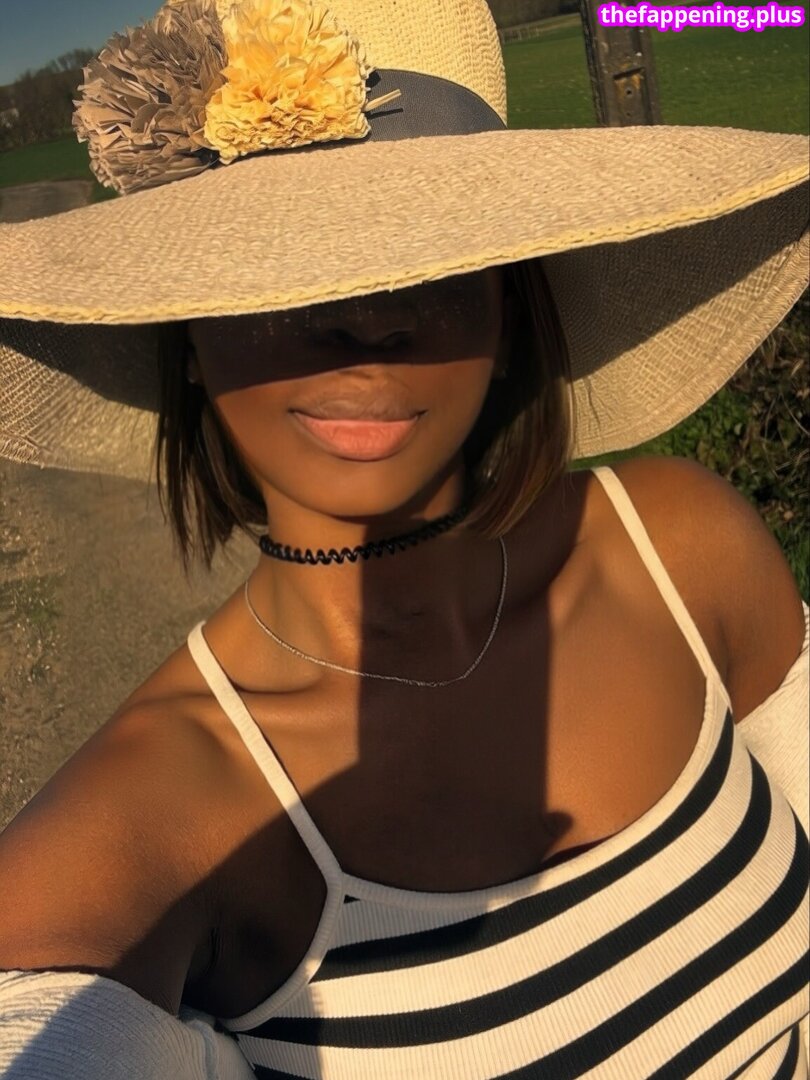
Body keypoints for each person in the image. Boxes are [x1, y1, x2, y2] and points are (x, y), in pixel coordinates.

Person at [0, 0, 808, 1077]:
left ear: (511, 307)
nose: (369, 321)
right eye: (275, 262)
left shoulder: (684, 547)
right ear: (182, 331)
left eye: (435, 256)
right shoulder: (143, 822)